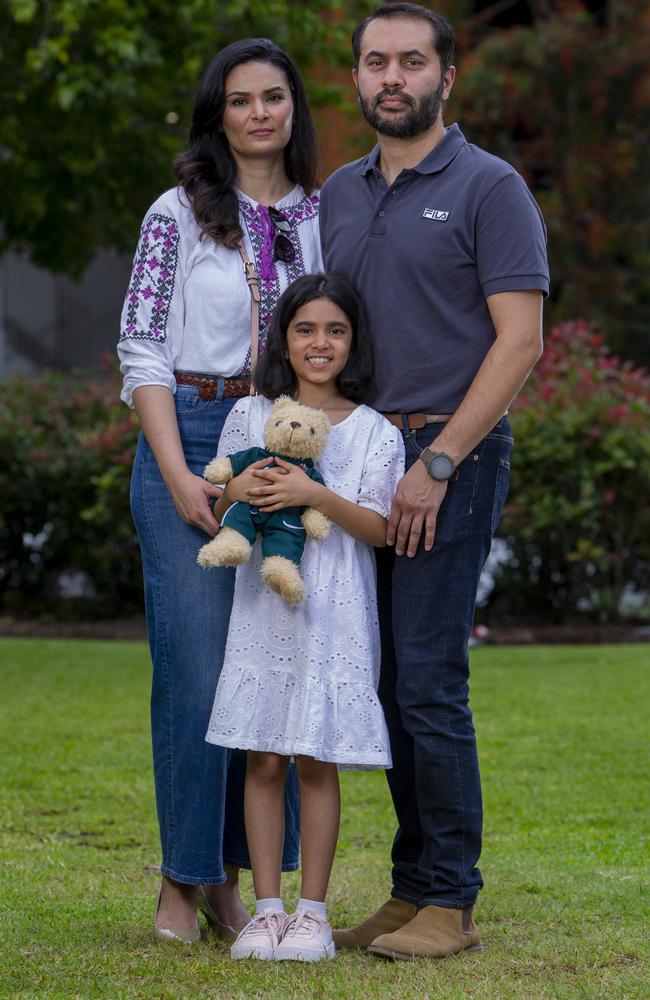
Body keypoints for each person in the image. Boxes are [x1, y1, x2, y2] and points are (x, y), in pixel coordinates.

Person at [320, 2, 549, 960]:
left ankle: (451, 898)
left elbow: (521, 339)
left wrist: (441, 461)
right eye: (376, 62)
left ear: (446, 77)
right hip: (361, 457)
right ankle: (413, 889)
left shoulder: (491, 187)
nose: (392, 79)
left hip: (449, 455)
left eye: (411, 62)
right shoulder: (336, 191)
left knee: (428, 680)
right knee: (380, 680)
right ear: (360, 78)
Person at [117, 38, 323, 943]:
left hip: (282, 443)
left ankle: (236, 884)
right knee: (195, 672)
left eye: (274, 97)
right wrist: (171, 470)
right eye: (240, 100)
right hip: (192, 437)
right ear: (219, 114)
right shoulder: (176, 214)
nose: (259, 114)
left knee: (260, 679)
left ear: (293, 109)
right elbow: (141, 350)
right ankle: (181, 880)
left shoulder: (321, 216)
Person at [203, 273, 405, 961]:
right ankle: (265, 910)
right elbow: (223, 484)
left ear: (354, 341)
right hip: (263, 606)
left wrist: (312, 489)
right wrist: (248, 484)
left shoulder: (374, 430)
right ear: (284, 342)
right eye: (306, 330)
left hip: (333, 613)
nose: (321, 343)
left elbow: (378, 528)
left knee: (316, 758)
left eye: (336, 330)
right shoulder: (252, 413)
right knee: (263, 756)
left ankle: (312, 914)